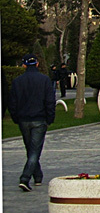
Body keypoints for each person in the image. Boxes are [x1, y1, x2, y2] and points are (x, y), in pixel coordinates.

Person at [8, 54, 56, 192]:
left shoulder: (17, 81)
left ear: (23, 65)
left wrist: (15, 117)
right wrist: (50, 117)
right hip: (39, 118)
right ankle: (25, 177)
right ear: (37, 64)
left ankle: (38, 175)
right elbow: (49, 101)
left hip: (24, 119)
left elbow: (12, 102)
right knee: (34, 150)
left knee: (31, 149)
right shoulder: (44, 80)